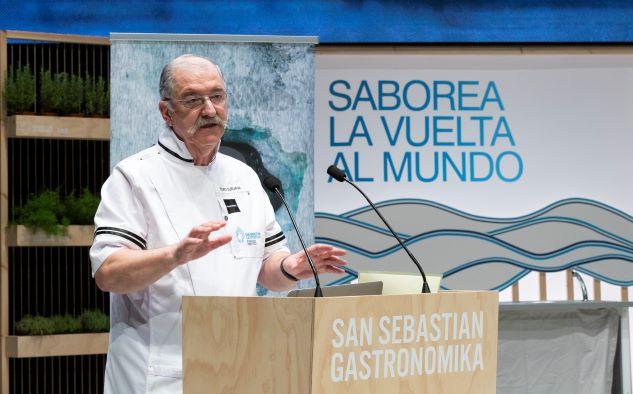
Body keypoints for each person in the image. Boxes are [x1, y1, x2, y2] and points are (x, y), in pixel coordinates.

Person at [90, 54, 346, 394]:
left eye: (217, 97)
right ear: (166, 112)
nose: (209, 110)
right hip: (161, 374)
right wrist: (174, 256)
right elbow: (108, 274)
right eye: (193, 100)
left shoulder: (244, 176)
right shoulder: (134, 176)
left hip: (237, 366)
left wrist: (292, 267)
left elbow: (267, 271)